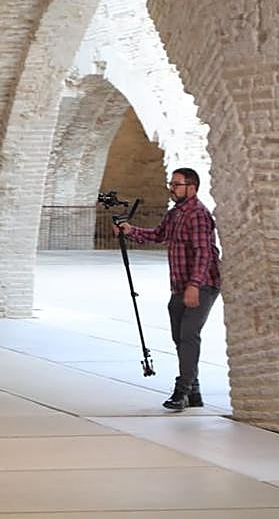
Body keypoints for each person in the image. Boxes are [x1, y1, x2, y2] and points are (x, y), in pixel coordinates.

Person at [116, 167, 221, 411]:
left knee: (188, 336)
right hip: (180, 285)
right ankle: (194, 390)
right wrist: (131, 231)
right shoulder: (176, 213)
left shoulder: (197, 214)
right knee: (180, 338)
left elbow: (204, 253)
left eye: (176, 185)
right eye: (171, 184)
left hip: (201, 285)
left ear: (191, 188)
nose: (171, 189)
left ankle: (181, 391)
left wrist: (195, 285)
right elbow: (159, 235)